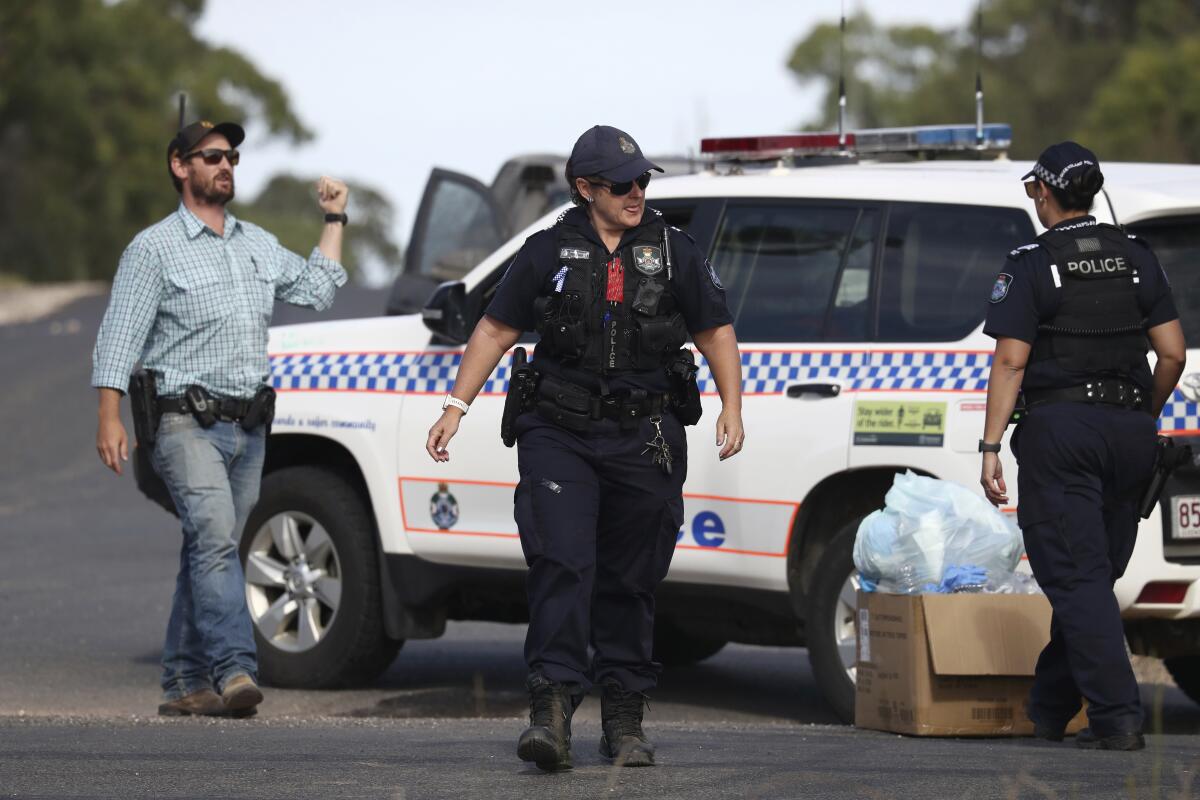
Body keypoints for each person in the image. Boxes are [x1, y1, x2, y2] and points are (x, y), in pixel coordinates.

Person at [425, 125, 744, 771]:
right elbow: (494, 327)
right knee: (562, 565)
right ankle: (551, 711)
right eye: (621, 184)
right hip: (559, 431)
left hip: (645, 434)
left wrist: (733, 406)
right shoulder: (546, 250)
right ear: (585, 189)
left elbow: (715, 331)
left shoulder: (674, 250)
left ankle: (624, 720)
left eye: (642, 181)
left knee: (630, 581)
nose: (636, 193)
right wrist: (455, 407)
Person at [92, 117, 350, 717]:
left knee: (211, 544)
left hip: (249, 427)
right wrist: (109, 416)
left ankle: (183, 683)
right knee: (213, 538)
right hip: (183, 422)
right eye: (211, 156)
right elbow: (118, 337)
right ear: (180, 166)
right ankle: (235, 669)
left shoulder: (257, 243)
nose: (226, 165)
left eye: (232, 156)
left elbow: (316, 289)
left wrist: (334, 218)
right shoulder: (153, 248)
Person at [980, 141, 1186, 751]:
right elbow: (1171, 353)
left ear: (1044, 192)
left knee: (1076, 579)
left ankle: (1118, 717)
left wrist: (991, 445)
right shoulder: (1137, 257)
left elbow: (1011, 362)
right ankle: (1049, 706)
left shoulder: (1031, 262)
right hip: (1131, 432)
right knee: (1091, 576)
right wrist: (1143, 416)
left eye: (1031, 190)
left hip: (1062, 433)